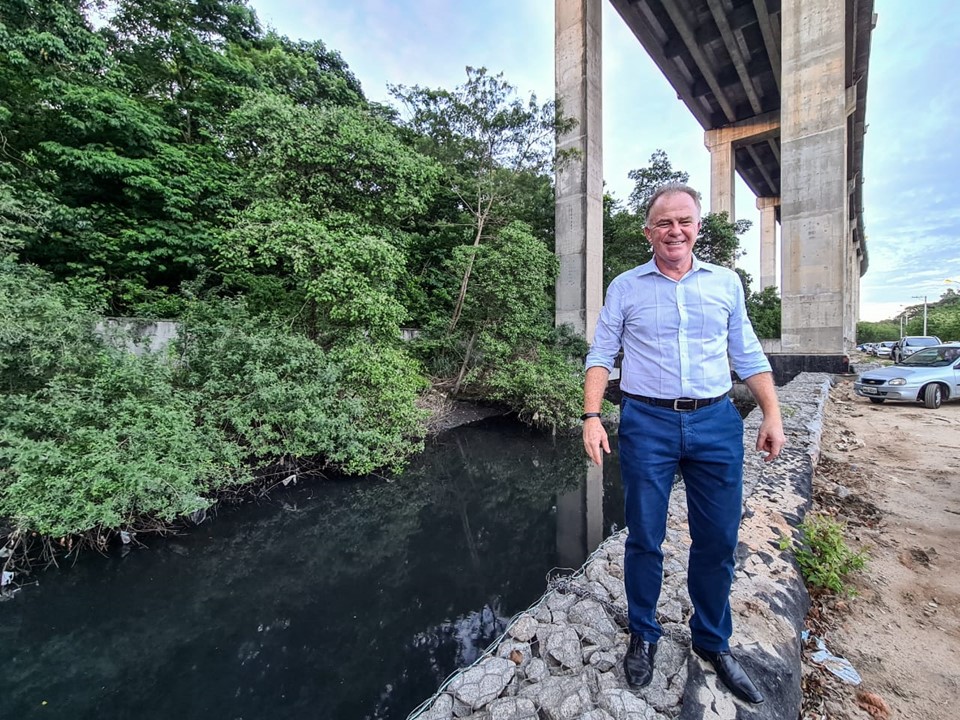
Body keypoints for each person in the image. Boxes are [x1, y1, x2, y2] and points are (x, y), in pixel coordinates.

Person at [581, 183, 785, 705]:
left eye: (684, 222)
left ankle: (713, 640)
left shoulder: (726, 283)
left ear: (698, 226)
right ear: (648, 231)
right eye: (664, 223)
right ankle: (644, 634)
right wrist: (592, 415)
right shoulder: (626, 286)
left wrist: (771, 413)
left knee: (717, 540)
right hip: (647, 422)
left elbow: (747, 351)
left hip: (716, 421)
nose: (675, 231)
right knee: (645, 535)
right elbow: (602, 352)